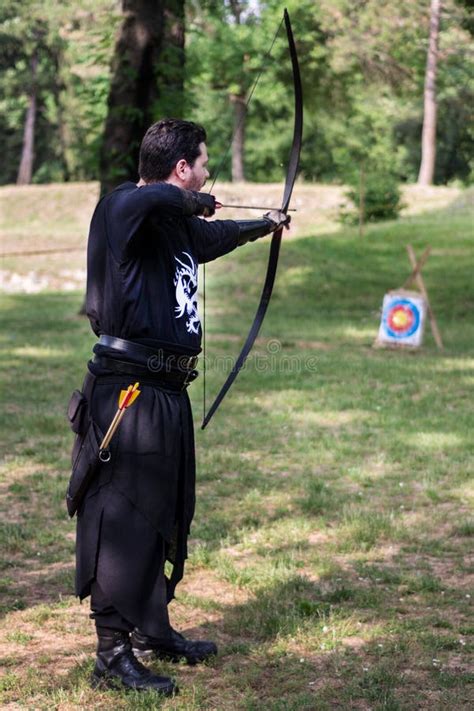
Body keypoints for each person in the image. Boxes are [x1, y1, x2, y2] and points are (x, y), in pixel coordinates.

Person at [68, 118, 290, 695]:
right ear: (181, 168)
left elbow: (215, 239)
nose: (209, 171)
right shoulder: (121, 212)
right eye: (203, 163)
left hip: (166, 393)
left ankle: (151, 628)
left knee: (164, 513)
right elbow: (153, 197)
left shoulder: (173, 227)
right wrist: (196, 201)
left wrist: (263, 225)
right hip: (128, 394)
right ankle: (111, 656)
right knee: (125, 517)